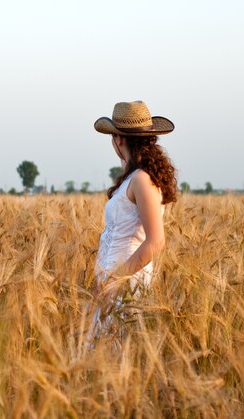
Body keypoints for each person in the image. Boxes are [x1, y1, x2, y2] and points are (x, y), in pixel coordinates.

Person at [86, 100, 178, 346]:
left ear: (119, 139)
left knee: (116, 352)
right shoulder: (133, 177)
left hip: (126, 282)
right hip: (112, 280)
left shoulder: (141, 180)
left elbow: (156, 240)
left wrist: (117, 280)